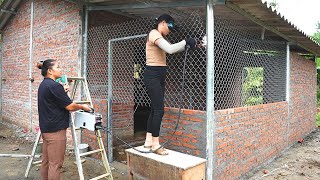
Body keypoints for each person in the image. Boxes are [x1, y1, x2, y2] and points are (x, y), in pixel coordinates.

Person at [143, 14, 197, 155]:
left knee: (155, 109)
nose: (170, 31)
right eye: (170, 27)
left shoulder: (160, 38)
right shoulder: (154, 33)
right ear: (163, 23)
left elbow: (172, 49)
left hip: (159, 74)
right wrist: (185, 41)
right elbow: (170, 49)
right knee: (159, 110)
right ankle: (156, 144)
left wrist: (187, 46)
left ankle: (148, 141)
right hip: (152, 74)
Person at [37, 59, 91, 180]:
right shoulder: (55, 86)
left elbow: (54, 100)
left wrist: (63, 91)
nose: (60, 69)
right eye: (58, 67)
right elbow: (70, 106)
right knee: (55, 164)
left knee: (46, 162)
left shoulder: (44, 85)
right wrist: (83, 106)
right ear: (50, 71)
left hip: (46, 130)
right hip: (56, 131)